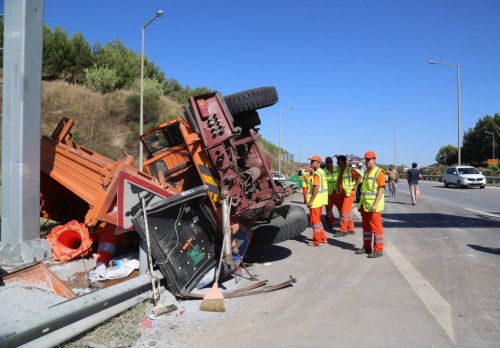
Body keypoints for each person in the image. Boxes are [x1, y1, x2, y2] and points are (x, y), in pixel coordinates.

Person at [355, 151, 386, 258]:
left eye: (369, 160)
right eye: (366, 160)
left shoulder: (379, 172)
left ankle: (378, 250)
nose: (367, 162)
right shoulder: (366, 172)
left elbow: (381, 189)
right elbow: (364, 190)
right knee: (366, 228)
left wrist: (375, 204)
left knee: (376, 229)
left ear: (374, 160)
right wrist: (360, 205)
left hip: (373, 206)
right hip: (365, 205)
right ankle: (367, 247)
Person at [332, 155, 362, 237]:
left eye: (338, 162)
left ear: (342, 162)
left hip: (348, 194)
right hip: (342, 194)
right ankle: (351, 229)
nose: (337, 163)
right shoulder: (341, 171)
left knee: (344, 212)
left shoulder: (350, 170)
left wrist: (355, 186)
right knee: (347, 212)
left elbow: (359, 177)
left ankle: (343, 230)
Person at [306, 155, 328, 246]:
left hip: (315, 201)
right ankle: (323, 238)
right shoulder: (321, 172)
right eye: (311, 161)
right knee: (318, 221)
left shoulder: (317, 174)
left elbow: (316, 188)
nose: (311, 163)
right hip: (320, 200)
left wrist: (311, 201)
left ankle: (317, 241)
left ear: (318, 163)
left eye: (313, 161)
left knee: (315, 221)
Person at [324, 156, 340, 229]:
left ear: (332, 163)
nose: (328, 164)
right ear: (325, 163)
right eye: (327, 162)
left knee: (341, 208)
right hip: (328, 194)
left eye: (330, 162)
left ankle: (344, 222)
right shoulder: (323, 171)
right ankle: (331, 222)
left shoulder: (337, 169)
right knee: (329, 210)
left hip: (336, 193)